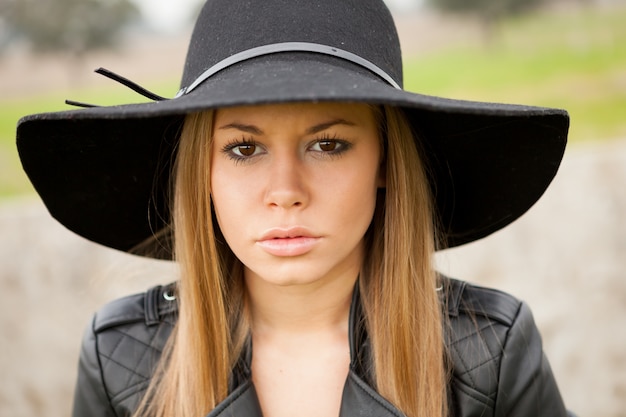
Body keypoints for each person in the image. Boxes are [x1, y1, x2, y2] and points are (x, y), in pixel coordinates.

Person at [16, 0, 574, 416]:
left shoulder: (489, 353)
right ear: (201, 174)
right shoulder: (121, 360)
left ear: (385, 162)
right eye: (244, 148)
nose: (285, 190)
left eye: (328, 144)